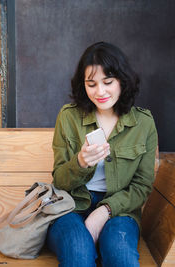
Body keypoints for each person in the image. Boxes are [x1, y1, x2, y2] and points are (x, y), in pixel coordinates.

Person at [46, 42, 158, 266]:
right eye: (91, 84)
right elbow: (59, 179)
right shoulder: (68, 117)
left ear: (122, 81)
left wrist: (105, 211)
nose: (100, 92)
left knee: (122, 257)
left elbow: (142, 186)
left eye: (108, 82)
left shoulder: (143, 123)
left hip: (120, 211)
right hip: (71, 206)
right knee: (78, 255)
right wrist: (80, 162)